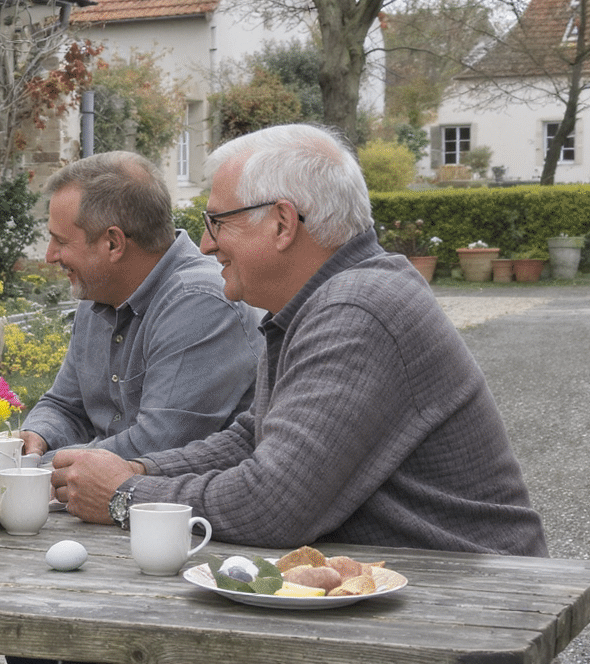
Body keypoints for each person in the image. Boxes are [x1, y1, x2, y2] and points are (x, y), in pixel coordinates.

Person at [53, 124, 548, 557]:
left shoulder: (358, 309)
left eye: (217, 222)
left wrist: (126, 496)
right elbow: (252, 437)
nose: (204, 244)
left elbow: (274, 504)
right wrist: (136, 467)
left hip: (467, 596)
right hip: (409, 584)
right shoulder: (322, 301)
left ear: (283, 223)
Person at [19, 151, 261, 463]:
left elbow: (156, 445)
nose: (50, 255)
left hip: (179, 508)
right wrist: (38, 436)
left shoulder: (200, 303)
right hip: (107, 502)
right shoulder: (99, 290)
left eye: (60, 241)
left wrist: (35, 471)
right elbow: (66, 406)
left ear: (113, 243)